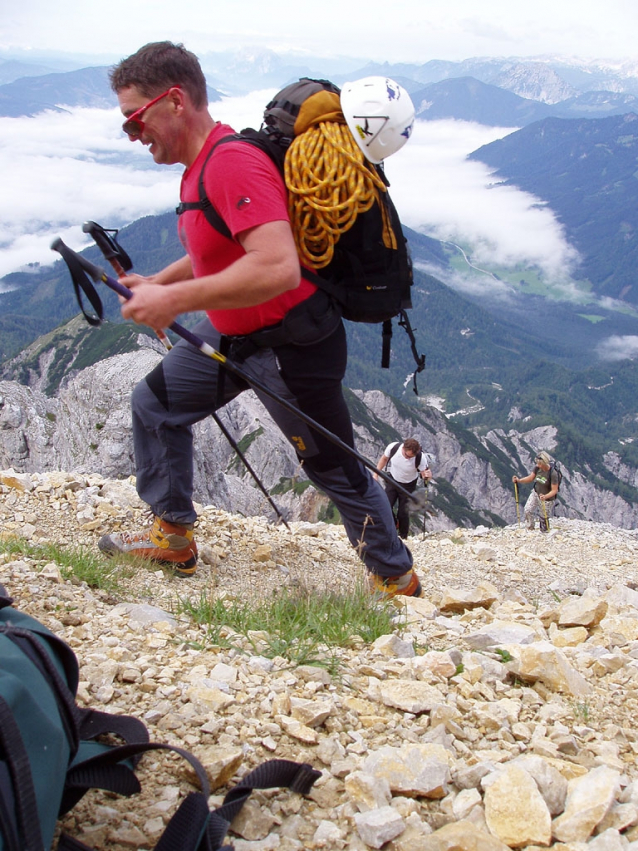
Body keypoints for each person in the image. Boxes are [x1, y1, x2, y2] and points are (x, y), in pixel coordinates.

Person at [98, 41, 422, 598]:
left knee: (334, 470)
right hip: (235, 332)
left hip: (294, 345)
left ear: (175, 101)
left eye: (136, 118)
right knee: (155, 404)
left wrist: (174, 304)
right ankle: (173, 535)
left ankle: (396, 576)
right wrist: (161, 283)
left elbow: (275, 266)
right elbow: (220, 245)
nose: (133, 133)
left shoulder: (231, 163)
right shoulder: (204, 165)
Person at [374, 439, 432, 539]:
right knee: (385, 505)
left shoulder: (420, 457)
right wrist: (376, 474)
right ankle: (392, 525)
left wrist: (428, 476)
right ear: (403, 448)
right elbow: (384, 459)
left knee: (403, 513)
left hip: (408, 485)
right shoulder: (393, 447)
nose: (409, 458)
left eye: (411, 457)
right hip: (392, 480)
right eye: (407, 455)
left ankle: (403, 536)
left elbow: (424, 475)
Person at [512, 450, 559, 532]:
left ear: (544, 463)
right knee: (527, 510)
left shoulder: (553, 474)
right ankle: (530, 528)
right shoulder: (537, 468)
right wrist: (519, 480)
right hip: (535, 493)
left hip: (547, 499)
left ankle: (544, 532)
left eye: (539, 463)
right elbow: (530, 478)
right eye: (537, 463)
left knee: (543, 516)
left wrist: (545, 496)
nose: (538, 465)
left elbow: (554, 490)